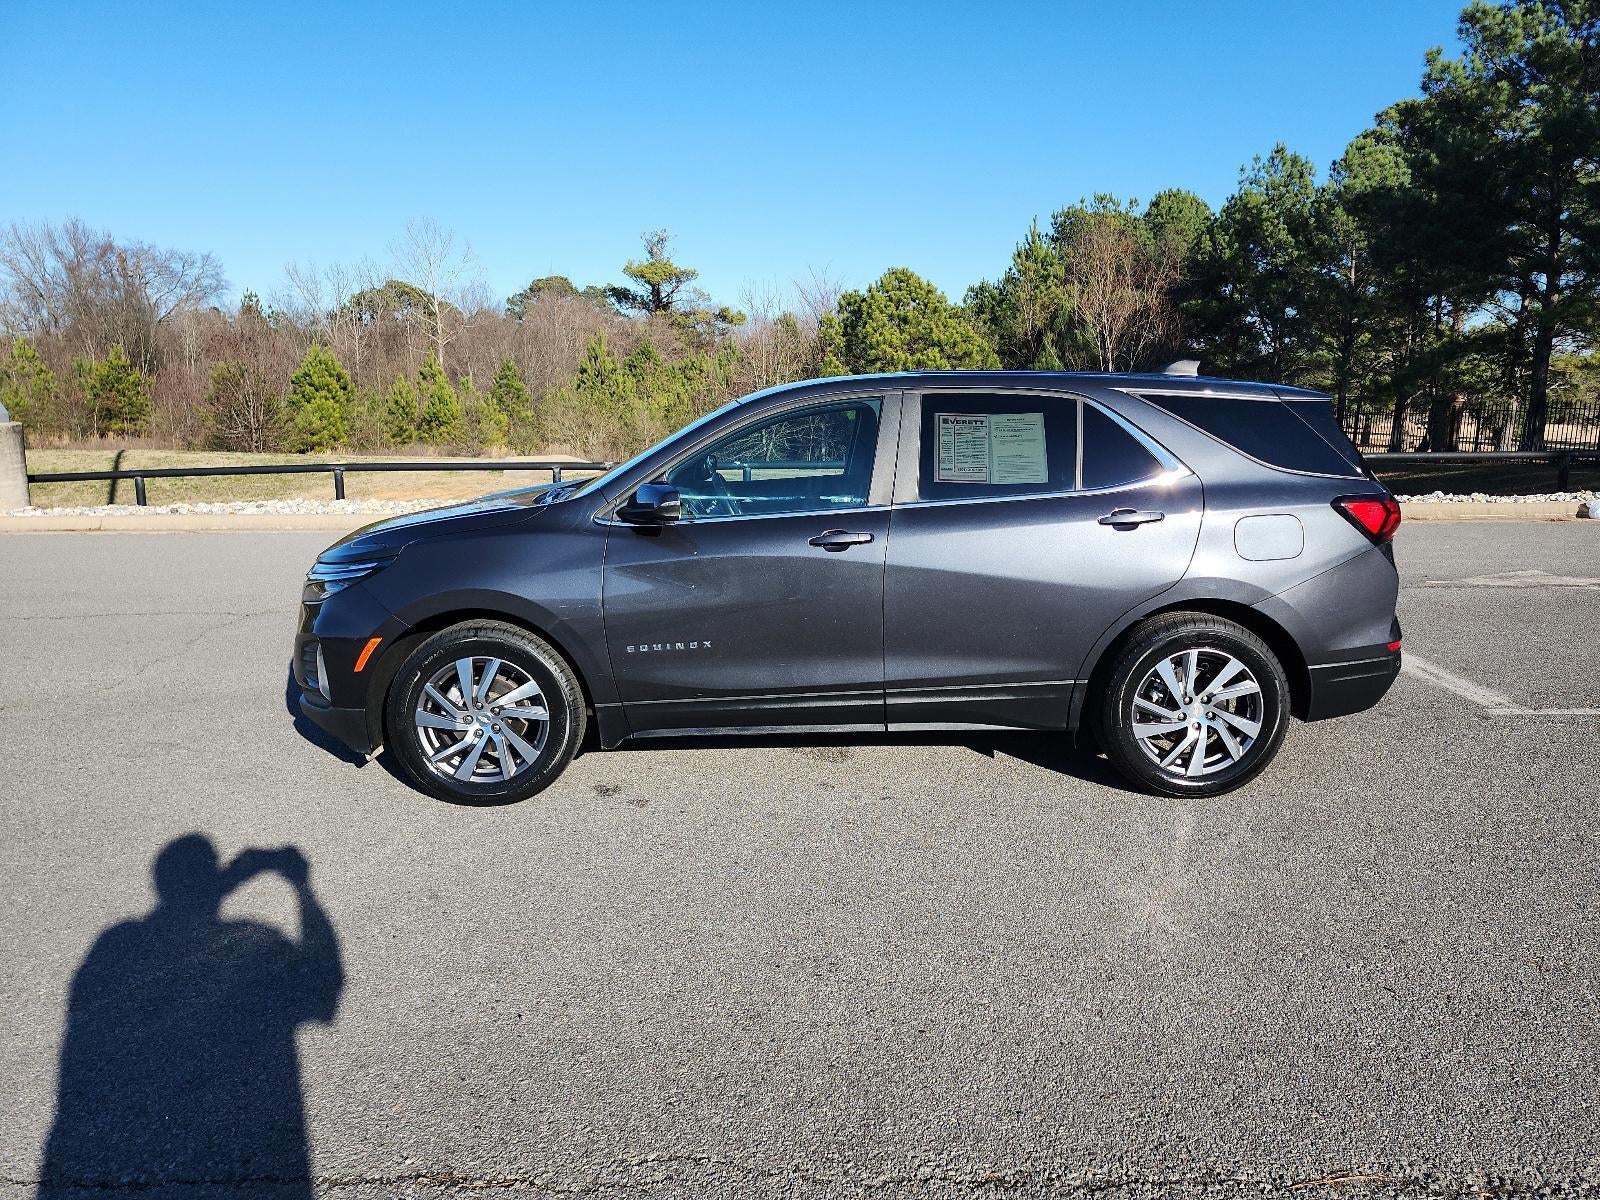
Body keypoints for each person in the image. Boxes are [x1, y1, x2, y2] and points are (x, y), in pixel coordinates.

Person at [38, 835, 342, 1196]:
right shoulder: (254, 943)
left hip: (107, 1157)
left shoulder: (115, 945)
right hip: (247, 1156)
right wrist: (301, 887)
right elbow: (325, 986)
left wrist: (225, 882)